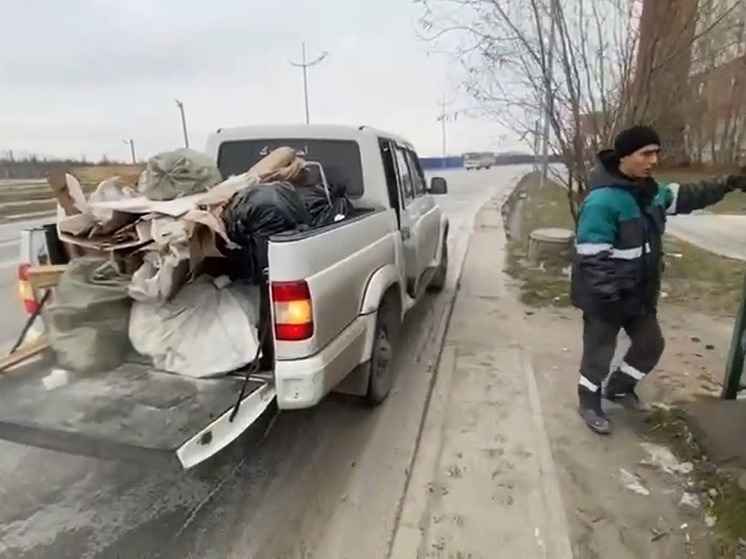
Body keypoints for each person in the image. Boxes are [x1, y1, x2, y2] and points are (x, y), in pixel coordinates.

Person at [570, 125, 746, 435]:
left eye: (656, 153)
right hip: (606, 296)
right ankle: (589, 400)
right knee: (599, 352)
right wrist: (609, 298)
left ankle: (620, 388)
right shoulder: (602, 202)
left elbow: (689, 195)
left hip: (638, 293)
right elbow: (592, 257)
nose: (654, 160)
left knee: (651, 345)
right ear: (625, 157)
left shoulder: (649, 192)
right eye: (646, 154)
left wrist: (728, 183)